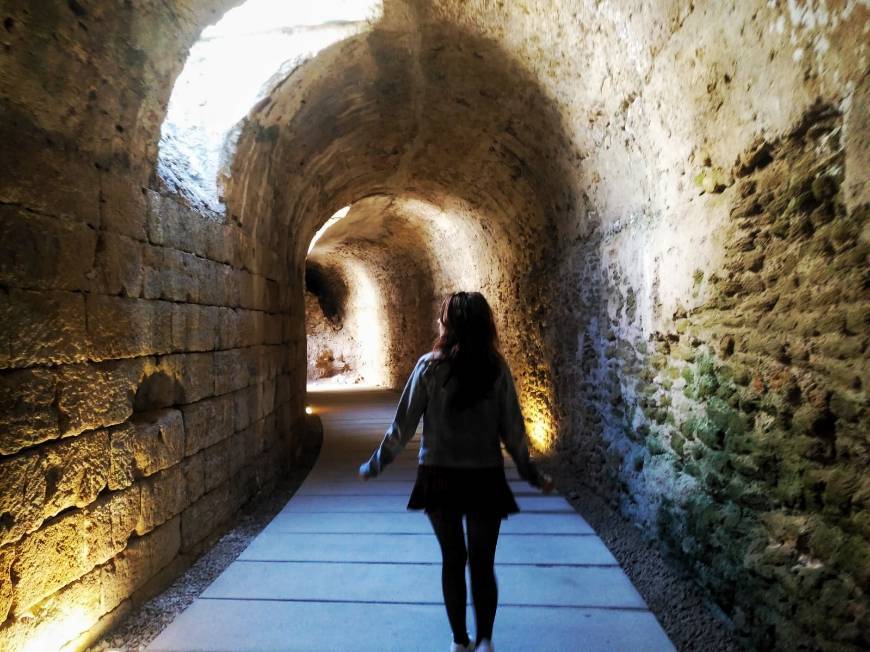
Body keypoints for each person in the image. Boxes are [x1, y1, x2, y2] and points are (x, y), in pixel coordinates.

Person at [358, 291, 554, 652]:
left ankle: (459, 641)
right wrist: (529, 471)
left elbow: (403, 425)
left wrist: (377, 463)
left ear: (449, 325)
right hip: (484, 477)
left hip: (439, 475)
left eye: (442, 318)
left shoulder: (429, 368)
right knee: (482, 563)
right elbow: (512, 427)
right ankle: (485, 641)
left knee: (453, 559)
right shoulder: (495, 368)